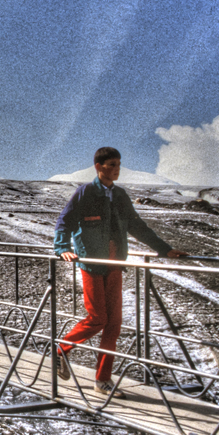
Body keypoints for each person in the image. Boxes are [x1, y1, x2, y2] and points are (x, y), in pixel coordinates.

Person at [54, 147, 188, 399]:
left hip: (115, 264)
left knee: (113, 325)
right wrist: (62, 248)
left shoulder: (120, 195)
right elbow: (65, 221)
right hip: (92, 264)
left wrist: (164, 249)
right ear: (99, 166)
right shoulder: (85, 192)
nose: (117, 169)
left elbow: (137, 226)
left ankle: (102, 380)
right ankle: (60, 349)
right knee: (97, 318)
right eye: (112, 164)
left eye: (119, 164)